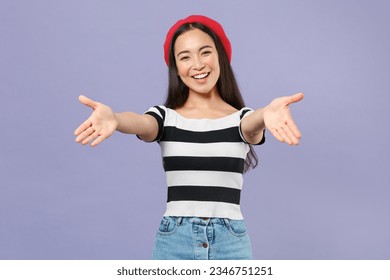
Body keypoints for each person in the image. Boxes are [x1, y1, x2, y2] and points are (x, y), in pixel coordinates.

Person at [74, 15, 304, 260]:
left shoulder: (241, 120)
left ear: (221, 56)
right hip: (176, 239)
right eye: (185, 57)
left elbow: (253, 123)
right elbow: (142, 123)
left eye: (205, 52)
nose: (197, 64)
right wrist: (116, 119)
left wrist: (267, 112)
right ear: (176, 67)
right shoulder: (166, 118)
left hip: (230, 242)